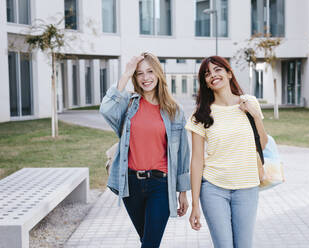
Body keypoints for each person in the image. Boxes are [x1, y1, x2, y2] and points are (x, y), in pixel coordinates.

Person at [100, 52, 190, 248]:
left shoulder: (174, 110)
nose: (145, 77)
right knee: (148, 241)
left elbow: (182, 153)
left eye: (150, 71)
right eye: (139, 73)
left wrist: (183, 191)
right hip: (131, 185)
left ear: (159, 73)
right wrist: (126, 72)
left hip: (161, 185)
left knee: (149, 244)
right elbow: (106, 109)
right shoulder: (129, 104)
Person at [186, 56, 268, 248]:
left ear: (229, 73)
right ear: (205, 82)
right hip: (214, 189)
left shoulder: (249, 103)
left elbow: (262, 144)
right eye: (207, 74)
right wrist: (195, 204)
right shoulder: (200, 115)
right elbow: (196, 161)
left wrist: (256, 116)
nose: (213, 75)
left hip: (247, 187)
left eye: (217, 70)